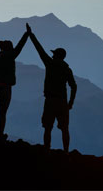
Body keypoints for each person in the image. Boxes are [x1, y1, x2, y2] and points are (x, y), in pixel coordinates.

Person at [27, 23, 77, 153]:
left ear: (56, 56)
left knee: (47, 128)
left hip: (50, 101)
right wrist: (70, 103)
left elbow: (39, 49)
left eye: (54, 54)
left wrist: (31, 35)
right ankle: (66, 152)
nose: (53, 55)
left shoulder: (49, 64)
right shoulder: (67, 69)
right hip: (62, 102)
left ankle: (46, 150)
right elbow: (74, 86)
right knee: (65, 129)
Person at [0, 25, 30, 140]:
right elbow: (20, 46)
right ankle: (1, 133)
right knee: (2, 113)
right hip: (5, 88)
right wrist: (27, 34)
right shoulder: (11, 56)